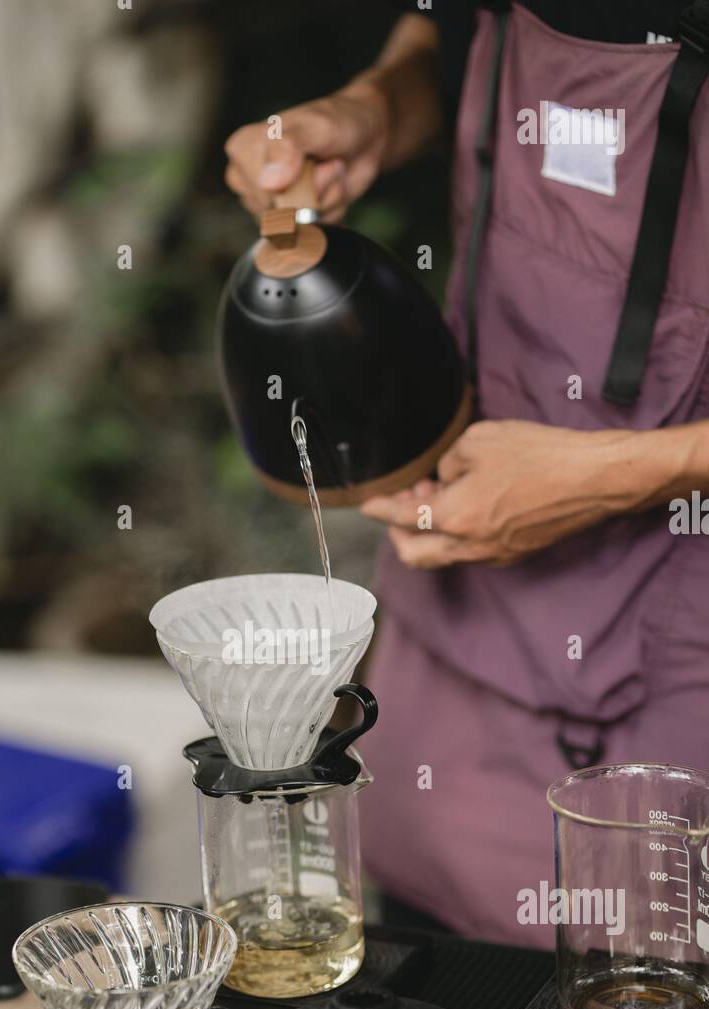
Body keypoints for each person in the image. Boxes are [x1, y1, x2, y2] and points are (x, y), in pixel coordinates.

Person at [224, 3, 709, 947]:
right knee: (420, 986)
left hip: (677, 639)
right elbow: (444, 29)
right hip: (461, 604)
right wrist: (375, 106)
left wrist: (631, 473)